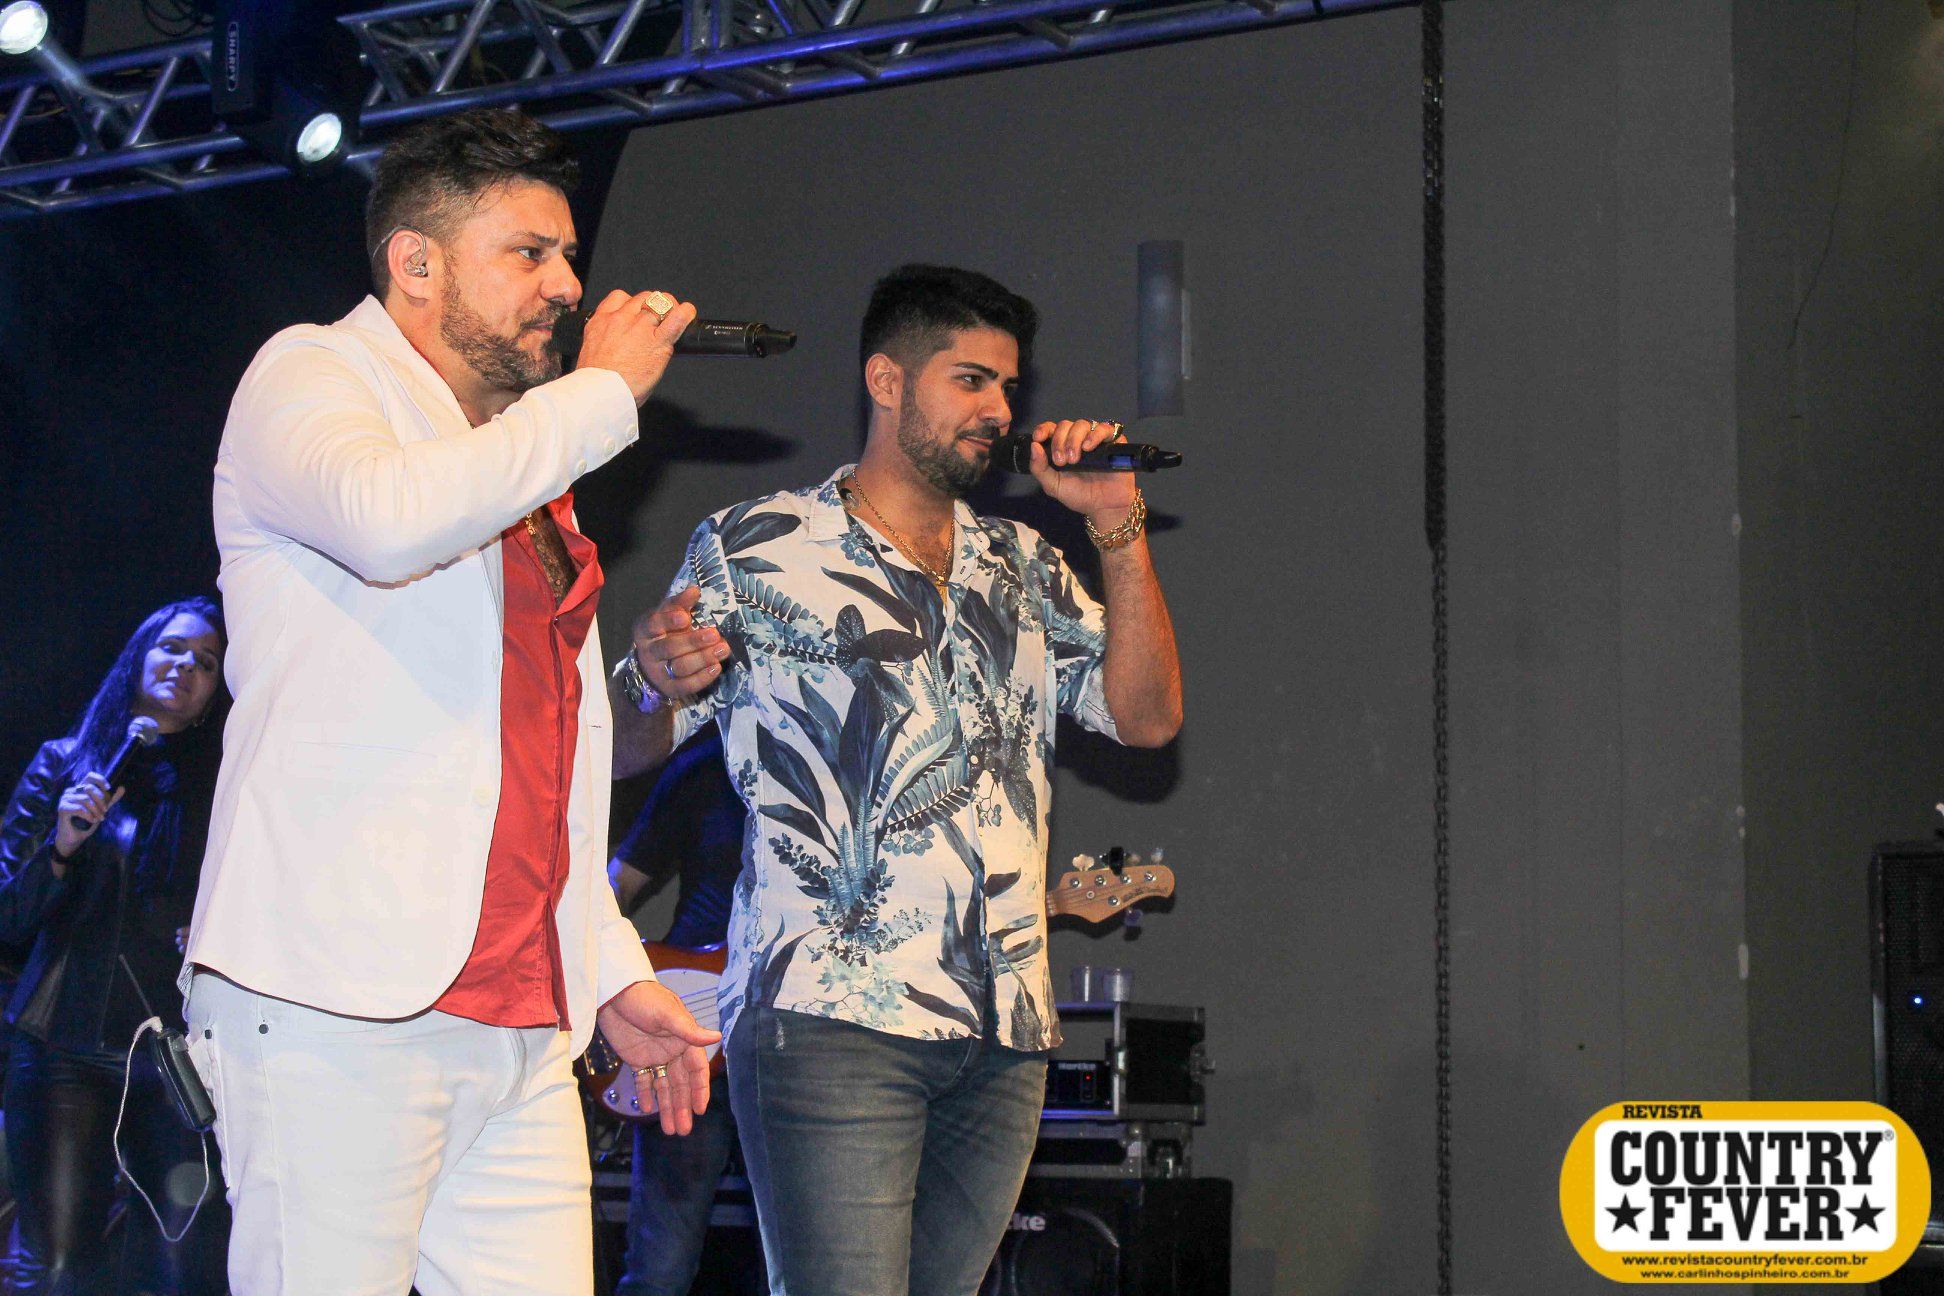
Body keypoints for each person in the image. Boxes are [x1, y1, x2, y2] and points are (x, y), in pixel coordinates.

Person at [180, 108, 718, 1296]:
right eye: (529, 253)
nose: (566, 286)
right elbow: (386, 521)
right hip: (338, 1003)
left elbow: (538, 759)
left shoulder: (516, 459)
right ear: (415, 263)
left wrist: (608, 965)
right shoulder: (312, 372)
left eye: (567, 255)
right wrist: (598, 395)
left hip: (520, 1023)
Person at [610, 264, 1184, 1296]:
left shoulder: (1023, 564)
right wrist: (656, 678)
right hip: (830, 1015)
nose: (999, 410)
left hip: (1003, 1028)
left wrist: (1117, 525)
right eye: (971, 380)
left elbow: (1146, 719)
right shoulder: (758, 545)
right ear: (887, 380)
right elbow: (622, 746)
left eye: (1009, 387)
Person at [0, 596, 231, 1295]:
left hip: (172, 1057)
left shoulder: (222, 785)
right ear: (140, 657)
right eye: (172, 649)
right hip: (65, 1048)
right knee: (62, 1267)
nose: (185, 667)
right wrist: (61, 848)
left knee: (182, 1265)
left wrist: (213, 930)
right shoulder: (66, 764)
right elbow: (8, 917)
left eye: (206, 662)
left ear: (214, 693)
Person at [608, 728, 750, 1296]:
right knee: (659, 1266)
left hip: (798, 1039)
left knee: (802, 1263)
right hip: (689, 1030)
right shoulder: (710, 755)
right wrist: (610, 981)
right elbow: (618, 883)